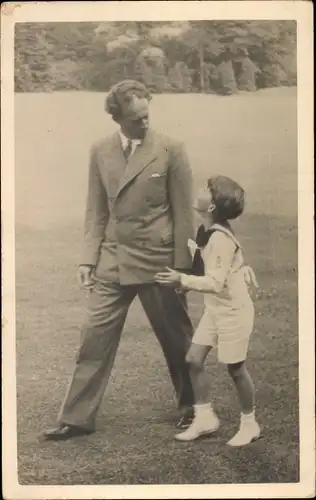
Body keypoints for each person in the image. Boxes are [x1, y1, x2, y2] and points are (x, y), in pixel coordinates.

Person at [43, 80, 195, 441]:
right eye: (136, 119)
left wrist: (183, 269)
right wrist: (87, 259)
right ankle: (76, 419)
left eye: (147, 116)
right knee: (93, 337)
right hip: (113, 259)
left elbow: (184, 213)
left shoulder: (172, 148)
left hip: (160, 262)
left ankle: (193, 408)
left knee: (177, 340)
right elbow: (95, 209)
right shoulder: (100, 150)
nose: (144, 124)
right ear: (117, 119)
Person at [155, 175, 260, 446]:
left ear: (211, 207)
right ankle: (205, 419)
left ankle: (249, 424)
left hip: (234, 311)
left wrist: (182, 280)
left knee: (236, 369)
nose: (199, 190)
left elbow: (215, 282)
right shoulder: (208, 230)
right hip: (216, 310)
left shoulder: (220, 238)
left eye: (206, 190)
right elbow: (209, 265)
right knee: (193, 359)